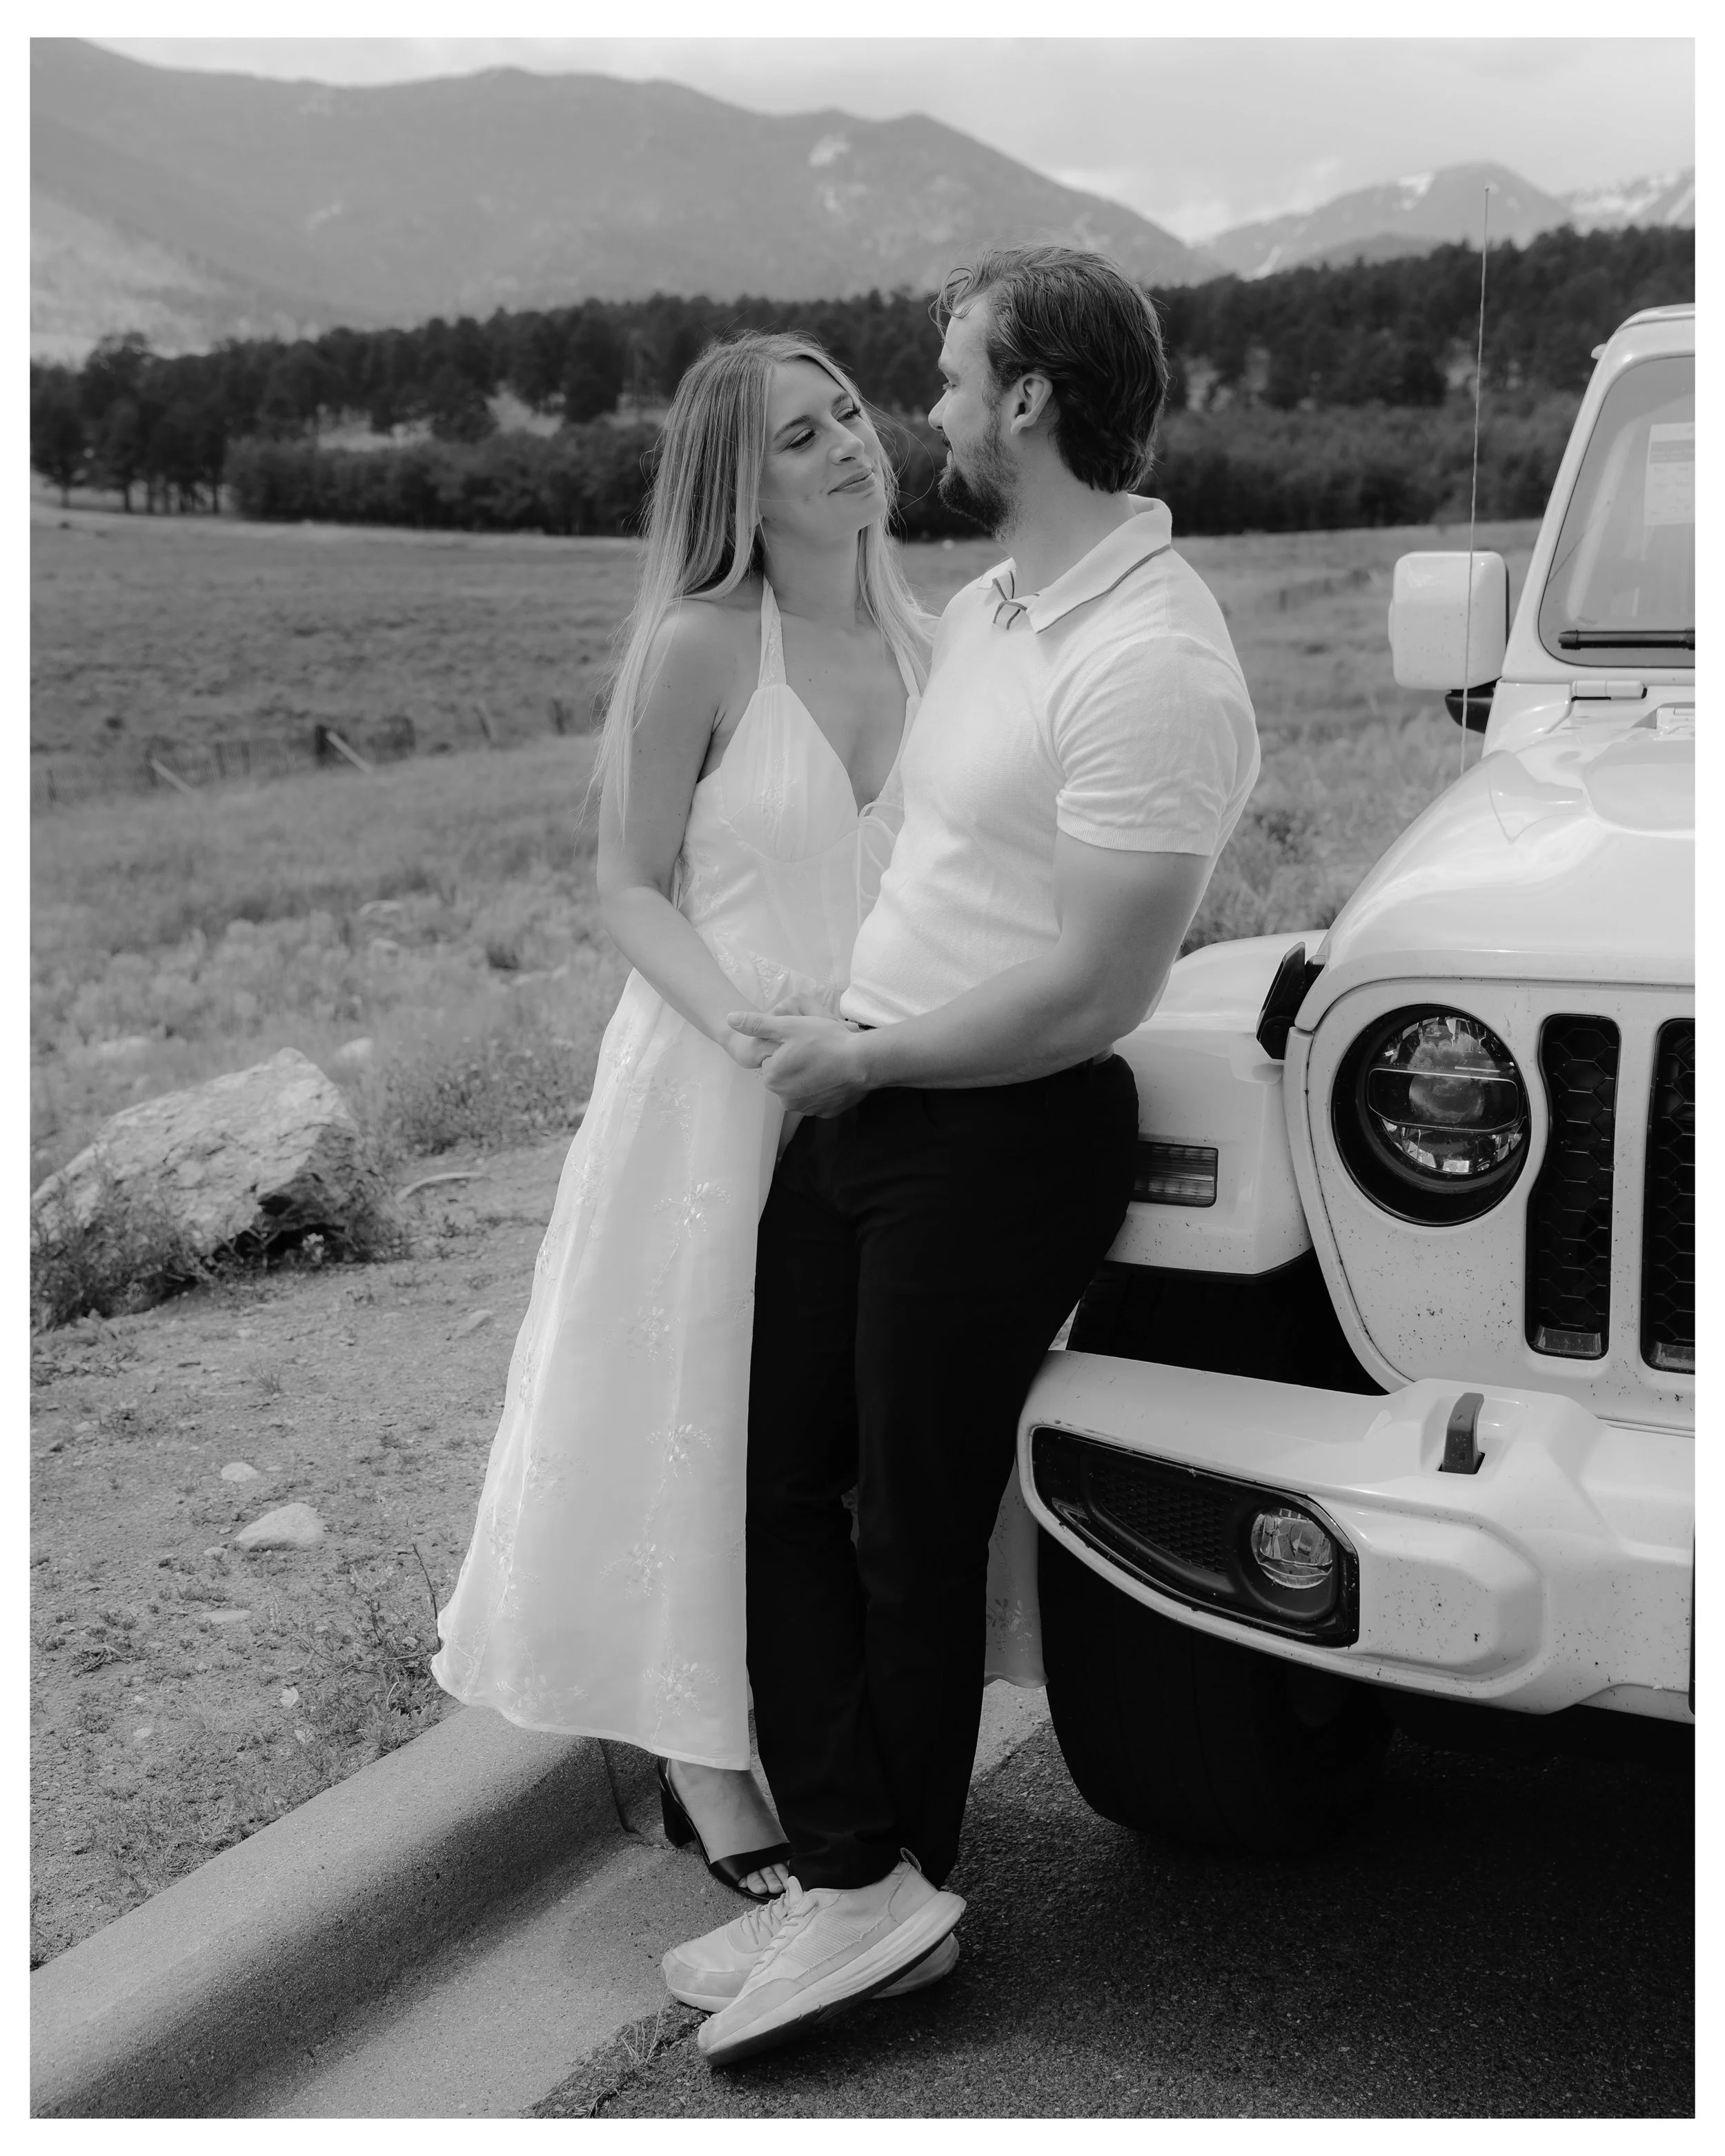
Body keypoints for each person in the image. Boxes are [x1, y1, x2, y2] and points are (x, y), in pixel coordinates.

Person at [667, 246, 1261, 2066]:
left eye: (938, 376)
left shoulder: (1155, 657)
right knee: (777, 1488)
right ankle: (851, 1875)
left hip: (996, 1131)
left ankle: (882, 1885)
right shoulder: (1004, 604)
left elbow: (1091, 985)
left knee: (908, 1530)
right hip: (867, 1102)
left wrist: (873, 1052)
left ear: (1023, 398)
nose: (915, 410)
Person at [431, 330, 931, 1905]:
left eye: (845, 410)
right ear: (739, 481)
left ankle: (829, 1730)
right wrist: (737, 1026)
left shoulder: (938, 642)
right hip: (711, 1085)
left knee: (824, 1451)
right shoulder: (702, 646)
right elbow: (623, 884)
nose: (846, 444)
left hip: (880, 1081)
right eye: (798, 437)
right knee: (690, 1427)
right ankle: (704, 1766)